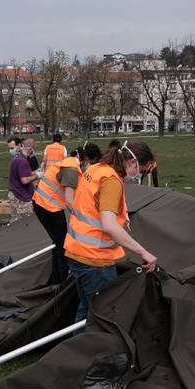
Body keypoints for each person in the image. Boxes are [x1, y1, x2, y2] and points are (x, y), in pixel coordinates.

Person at [64, 139, 158, 325]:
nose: (140, 175)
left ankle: (78, 350)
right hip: (94, 260)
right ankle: (98, 352)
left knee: (87, 309)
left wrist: (121, 212)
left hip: (76, 252)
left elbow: (92, 202)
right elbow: (109, 226)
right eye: (142, 170)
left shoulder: (97, 169)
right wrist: (143, 252)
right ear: (132, 162)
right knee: (104, 316)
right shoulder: (111, 181)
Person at [33, 141, 82, 284]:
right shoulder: (72, 169)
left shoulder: (67, 162)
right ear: (84, 160)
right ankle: (61, 281)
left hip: (41, 203)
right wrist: (81, 217)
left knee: (58, 244)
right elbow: (68, 201)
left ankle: (56, 278)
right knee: (62, 246)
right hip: (49, 208)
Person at [7, 136, 39, 222]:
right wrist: (37, 176)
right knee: (25, 223)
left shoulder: (17, 158)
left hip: (15, 194)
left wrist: (35, 172)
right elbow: (24, 180)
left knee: (15, 223)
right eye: (33, 150)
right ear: (30, 149)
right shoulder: (22, 161)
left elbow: (24, 173)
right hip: (21, 197)